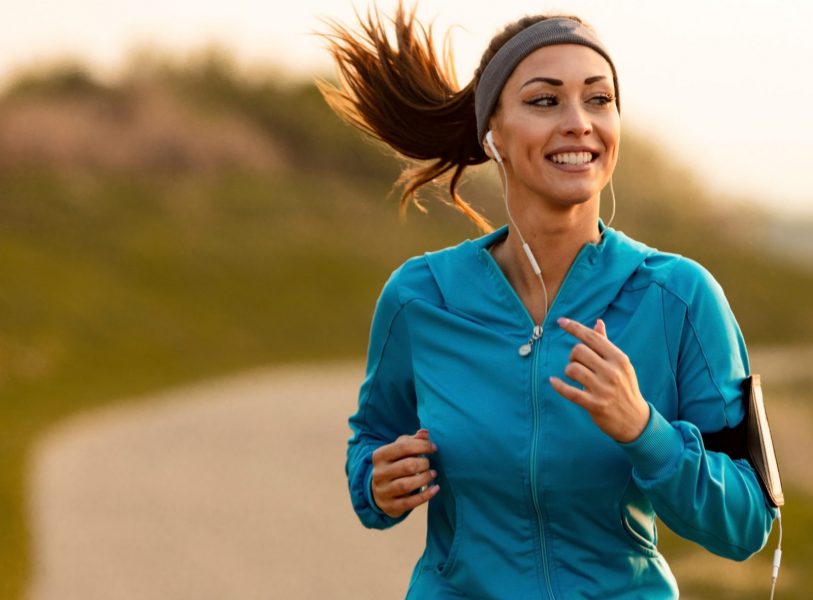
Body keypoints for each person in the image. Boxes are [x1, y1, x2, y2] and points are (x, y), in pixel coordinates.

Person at [319, 6, 776, 598]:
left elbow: (747, 522)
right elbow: (372, 442)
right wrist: (376, 485)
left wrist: (645, 430)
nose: (579, 123)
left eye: (598, 99)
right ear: (494, 134)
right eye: (544, 101)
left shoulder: (679, 297)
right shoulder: (420, 299)